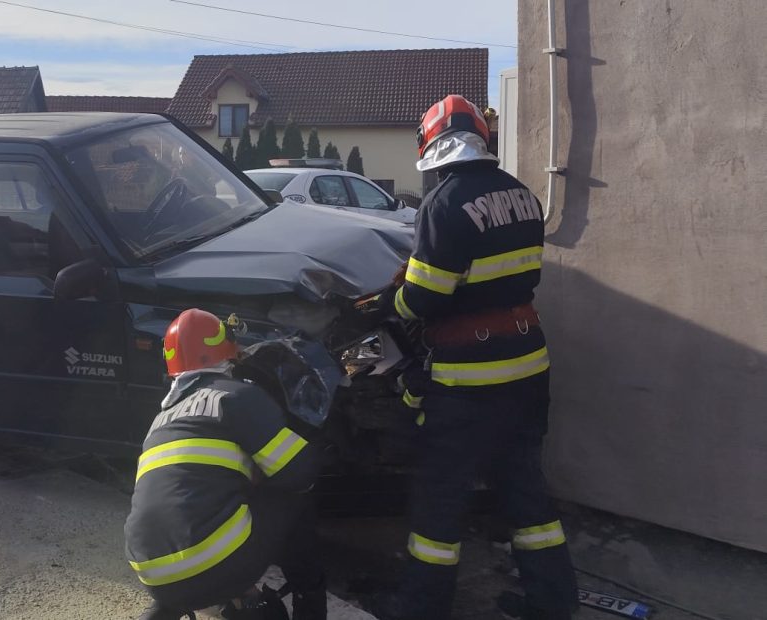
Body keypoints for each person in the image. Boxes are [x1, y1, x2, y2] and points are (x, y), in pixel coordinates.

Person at [369, 95, 578, 620]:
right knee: (527, 494)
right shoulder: (523, 195)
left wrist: (384, 304)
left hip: (468, 379)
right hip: (528, 365)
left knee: (440, 500)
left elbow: (423, 299)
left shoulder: (443, 204)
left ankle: (421, 609)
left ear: (431, 147)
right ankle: (553, 604)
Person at [125, 309, 328, 620]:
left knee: (204, 511)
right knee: (294, 498)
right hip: (215, 568)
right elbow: (298, 474)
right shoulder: (238, 397)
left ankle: (165, 610)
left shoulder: (161, 420)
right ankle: (308, 602)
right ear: (228, 354)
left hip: (152, 574)